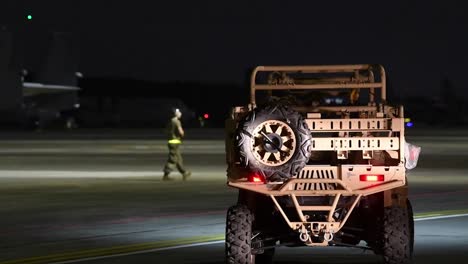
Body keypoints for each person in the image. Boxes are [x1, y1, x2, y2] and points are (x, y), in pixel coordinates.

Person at [163, 108, 191, 181]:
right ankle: (166, 175)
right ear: (175, 114)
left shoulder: (170, 121)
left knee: (178, 159)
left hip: (171, 142)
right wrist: (182, 135)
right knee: (173, 159)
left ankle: (184, 173)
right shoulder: (176, 121)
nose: (180, 113)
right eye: (178, 112)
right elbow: (181, 132)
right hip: (174, 142)